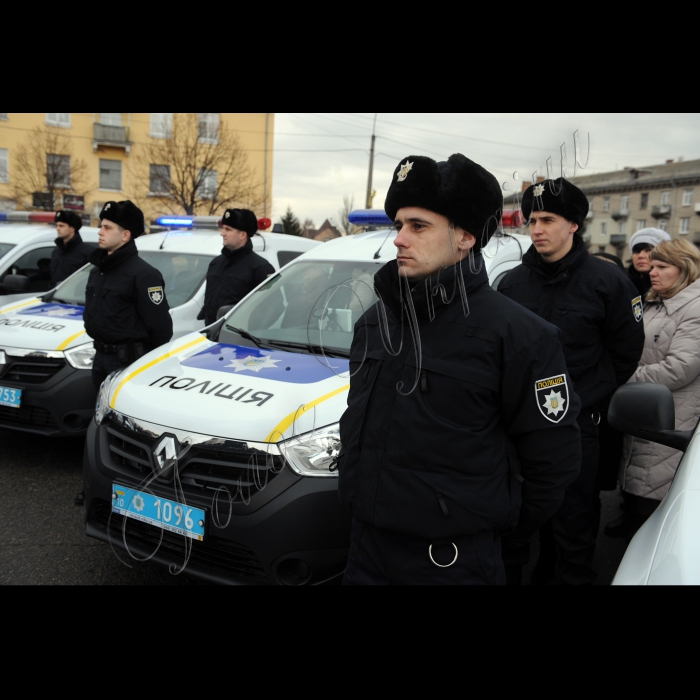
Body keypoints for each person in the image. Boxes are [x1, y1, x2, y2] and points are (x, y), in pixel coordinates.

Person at [337, 154, 582, 586]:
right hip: (365, 554)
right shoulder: (375, 322)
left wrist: (488, 529)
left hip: (452, 563)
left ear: (466, 236)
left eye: (419, 226)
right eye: (399, 226)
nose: (400, 239)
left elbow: (551, 462)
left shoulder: (520, 336)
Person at [499, 178, 645, 585]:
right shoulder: (511, 284)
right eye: (531, 220)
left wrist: (584, 400)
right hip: (519, 429)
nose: (536, 229)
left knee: (573, 527)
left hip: (577, 426)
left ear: (574, 225)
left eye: (548, 219)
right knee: (517, 524)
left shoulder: (609, 282)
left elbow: (625, 352)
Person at [611, 239, 700, 537]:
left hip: (673, 409)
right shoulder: (656, 300)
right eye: (653, 265)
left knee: (658, 486)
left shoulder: (695, 307)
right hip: (646, 404)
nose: (652, 271)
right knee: (640, 477)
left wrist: (624, 377)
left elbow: (680, 368)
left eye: (662, 266)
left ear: (685, 270)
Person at [84, 200, 173, 390]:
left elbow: (160, 328)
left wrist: (145, 363)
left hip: (127, 362)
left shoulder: (144, 275)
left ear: (125, 235)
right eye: (101, 227)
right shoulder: (97, 271)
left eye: (107, 228)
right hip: (100, 357)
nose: (100, 231)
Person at [199, 209, 275, 326]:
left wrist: (248, 331)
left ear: (242, 235)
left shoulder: (261, 267)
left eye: (228, 229)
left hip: (239, 338)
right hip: (212, 335)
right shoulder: (216, 263)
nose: (222, 233)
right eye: (223, 228)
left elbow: (271, 309)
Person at [50, 210, 93, 286]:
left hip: (75, 297)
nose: (57, 228)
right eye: (57, 225)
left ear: (72, 229)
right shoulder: (56, 251)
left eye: (61, 226)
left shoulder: (88, 252)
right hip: (55, 296)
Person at [627, 228, 671, 298]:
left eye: (648, 250)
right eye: (636, 251)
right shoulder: (623, 284)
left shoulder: (670, 288)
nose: (641, 256)